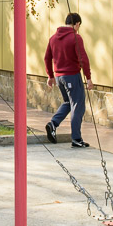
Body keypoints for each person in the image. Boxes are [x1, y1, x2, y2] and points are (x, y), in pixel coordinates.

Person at [43, 12, 94, 148]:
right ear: (77, 24)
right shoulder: (75, 38)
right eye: (79, 26)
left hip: (59, 77)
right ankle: (76, 139)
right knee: (77, 105)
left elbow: (47, 58)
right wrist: (88, 78)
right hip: (72, 76)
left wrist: (50, 76)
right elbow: (83, 59)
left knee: (68, 102)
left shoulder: (53, 38)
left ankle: (53, 124)